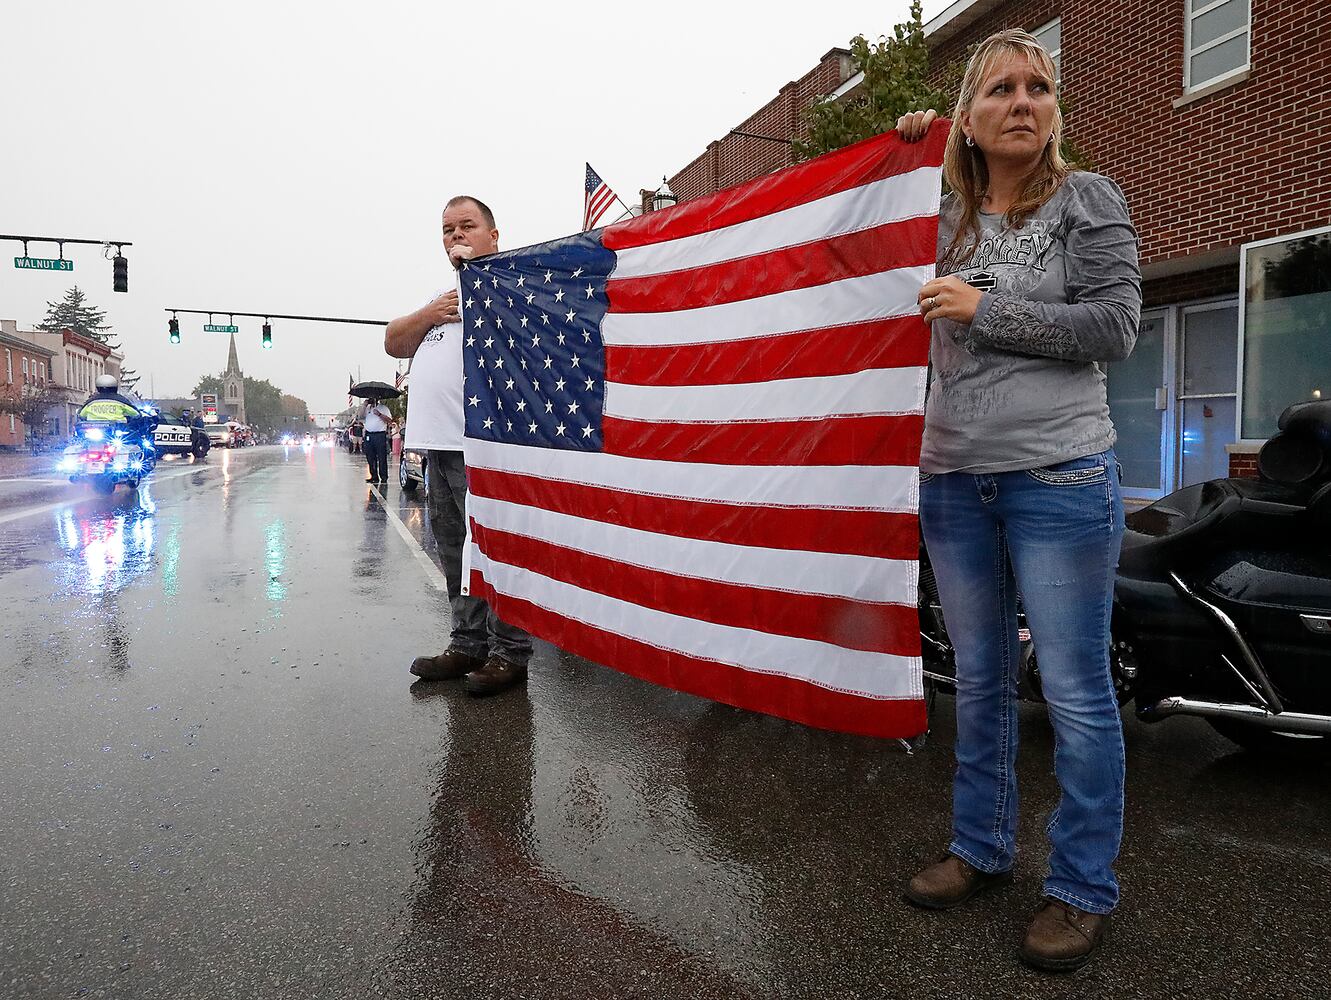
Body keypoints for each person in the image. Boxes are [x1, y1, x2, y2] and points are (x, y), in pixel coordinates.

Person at [895, 29, 1141, 974]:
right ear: (968, 113)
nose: (1023, 101)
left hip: (1060, 476)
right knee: (978, 676)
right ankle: (980, 847)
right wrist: (903, 151)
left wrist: (982, 309)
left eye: (1039, 86)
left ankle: (1080, 889)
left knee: (1075, 694)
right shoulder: (937, 215)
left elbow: (1115, 326)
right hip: (953, 477)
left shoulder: (1088, 199)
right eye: (999, 87)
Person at [385, 195, 533, 696]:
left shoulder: (512, 291)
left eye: (467, 226)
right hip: (437, 450)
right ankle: (467, 642)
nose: (456, 237)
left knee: (494, 553)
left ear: (494, 235)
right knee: (455, 554)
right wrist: (430, 314)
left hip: (485, 451)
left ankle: (509, 652)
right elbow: (393, 342)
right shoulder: (441, 300)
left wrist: (482, 292)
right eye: (447, 230)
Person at [75, 374, 157, 454]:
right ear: (115, 387)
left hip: (93, 432)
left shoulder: (91, 401)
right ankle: (137, 458)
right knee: (134, 439)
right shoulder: (120, 400)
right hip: (117, 432)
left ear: (98, 387)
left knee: (82, 443)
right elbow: (136, 414)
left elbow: (81, 414)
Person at [361, 398, 392, 484]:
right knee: (370, 457)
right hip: (369, 435)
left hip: (379, 435)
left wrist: (379, 414)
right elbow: (360, 416)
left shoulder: (383, 408)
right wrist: (364, 405)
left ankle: (384, 476)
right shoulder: (367, 408)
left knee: (382, 457)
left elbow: (389, 420)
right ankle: (374, 476)